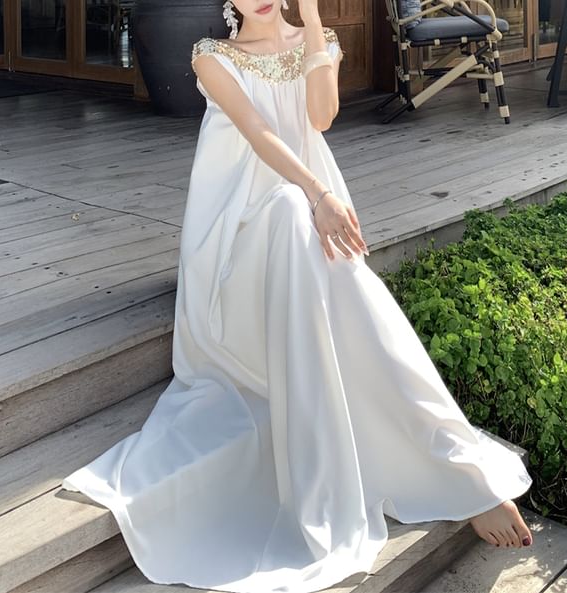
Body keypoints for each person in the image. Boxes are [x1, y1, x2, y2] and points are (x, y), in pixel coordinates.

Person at [60, 0, 535, 591]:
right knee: (293, 213)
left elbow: (322, 117)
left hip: (309, 227)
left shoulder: (321, 41)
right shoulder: (213, 56)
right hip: (237, 232)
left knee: (326, 260)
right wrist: (317, 195)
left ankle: (458, 471)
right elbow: (259, 134)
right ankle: (452, 475)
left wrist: (311, 26)